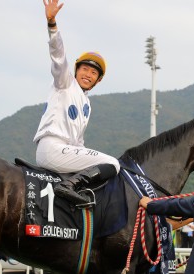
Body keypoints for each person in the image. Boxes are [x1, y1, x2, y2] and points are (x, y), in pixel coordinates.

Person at [33, 0, 120, 205]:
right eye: (84, 69)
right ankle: (68, 187)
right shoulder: (64, 82)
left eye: (93, 73)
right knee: (112, 163)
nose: (88, 74)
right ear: (76, 70)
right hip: (52, 148)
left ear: (98, 80)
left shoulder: (87, 104)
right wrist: (52, 24)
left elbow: (78, 143)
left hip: (64, 151)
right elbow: (58, 56)